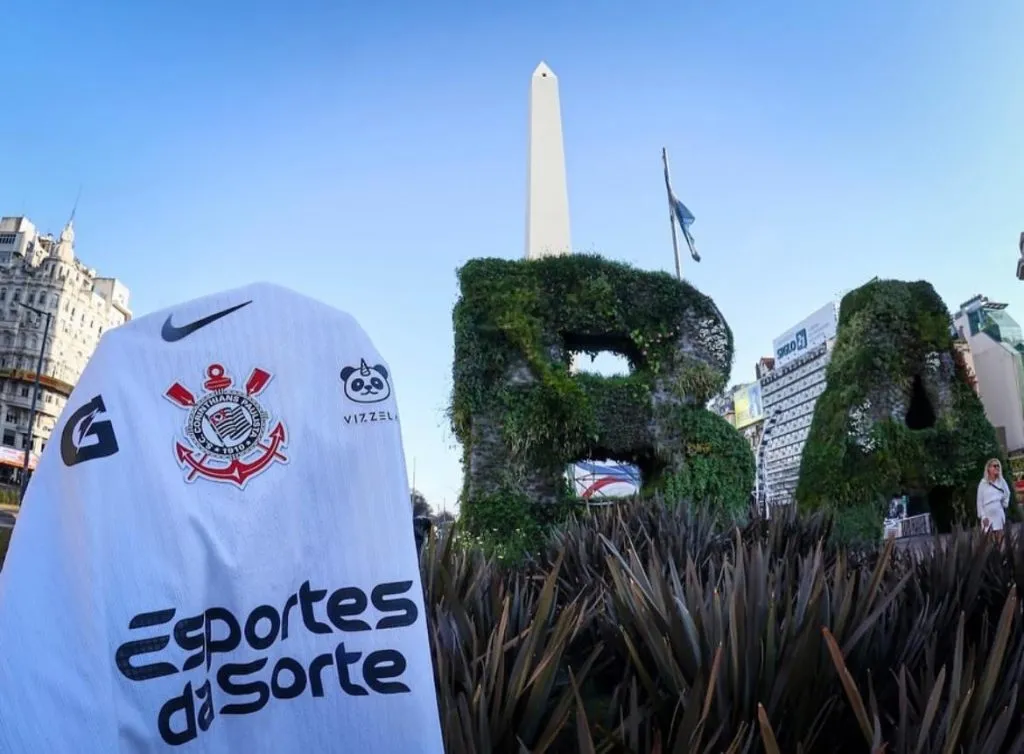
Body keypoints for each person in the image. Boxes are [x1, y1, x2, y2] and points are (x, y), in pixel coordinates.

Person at [977, 458, 1012, 534]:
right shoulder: (983, 483)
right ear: (988, 468)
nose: (997, 468)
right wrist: (983, 516)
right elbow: (979, 501)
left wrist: (1005, 503)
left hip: (999, 513)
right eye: (994, 466)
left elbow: (1007, 493)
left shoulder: (1001, 481)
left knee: (1000, 537)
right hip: (987, 514)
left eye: (998, 466)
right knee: (988, 537)